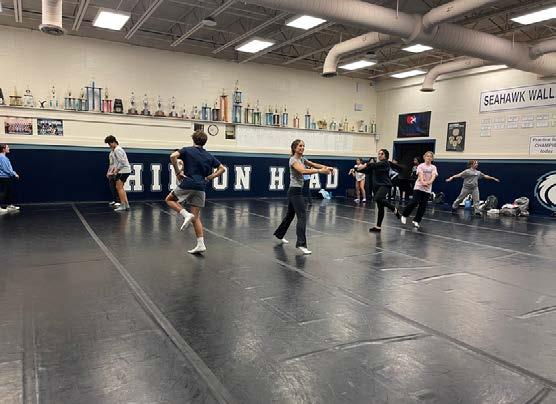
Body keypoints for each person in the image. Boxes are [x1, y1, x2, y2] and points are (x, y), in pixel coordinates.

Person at [165, 130, 226, 254]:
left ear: (193, 139)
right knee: (196, 217)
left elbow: (172, 156)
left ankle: (185, 214)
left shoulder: (187, 150)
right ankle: (201, 244)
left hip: (188, 183)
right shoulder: (209, 155)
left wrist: (177, 172)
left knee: (169, 199)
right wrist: (210, 177)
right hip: (201, 187)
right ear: (204, 142)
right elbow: (222, 169)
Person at [273, 139, 333, 254]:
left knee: (290, 215)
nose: (302, 148)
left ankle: (279, 234)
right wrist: (320, 171)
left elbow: (313, 164)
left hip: (295, 191)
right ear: (294, 148)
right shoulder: (293, 160)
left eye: (303, 146)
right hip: (294, 191)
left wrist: (326, 167)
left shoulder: (302, 159)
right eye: (300, 146)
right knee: (302, 215)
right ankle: (301, 244)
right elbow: (302, 171)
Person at [357, 149, 401, 232]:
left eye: (382, 154)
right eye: (379, 154)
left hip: (385, 185)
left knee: (377, 198)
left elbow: (373, 165)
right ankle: (378, 227)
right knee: (380, 207)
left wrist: (366, 164)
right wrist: (356, 169)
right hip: (376, 187)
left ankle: (393, 209)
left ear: (386, 156)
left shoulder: (385, 163)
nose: (380, 155)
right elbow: (366, 170)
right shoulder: (376, 165)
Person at [401, 151, 438, 228]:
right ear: (424, 157)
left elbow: (433, 176)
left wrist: (429, 182)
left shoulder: (433, 167)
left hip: (427, 189)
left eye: (430, 156)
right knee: (414, 202)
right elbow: (420, 175)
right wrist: (423, 182)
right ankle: (404, 215)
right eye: (427, 156)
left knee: (423, 206)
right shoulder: (421, 166)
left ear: (432, 158)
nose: (429, 158)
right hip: (419, 187)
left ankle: (416, 220)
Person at [104, 135, 131, 212]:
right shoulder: (118, 149)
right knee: (121, 187)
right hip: (124, 171)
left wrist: (115, 172)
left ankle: (123, 205)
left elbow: (122, 162)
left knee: (119, 187)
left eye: (109, 144)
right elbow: (117, 163)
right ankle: (126, 204)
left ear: (113, 142)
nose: (109, 146)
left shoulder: (117, 150)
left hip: (123, 171)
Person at [0, 144, 20, 213]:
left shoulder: (4, 157)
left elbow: (8, 168)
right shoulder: (2, 157)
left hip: (6, 177)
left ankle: (9, 205)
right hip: (3, 177)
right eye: (7, 147)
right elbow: (5, 169)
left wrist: (13, 173)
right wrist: (14, 174)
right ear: (3, 149)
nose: (9, 149)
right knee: (3, 192)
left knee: (9, 192)